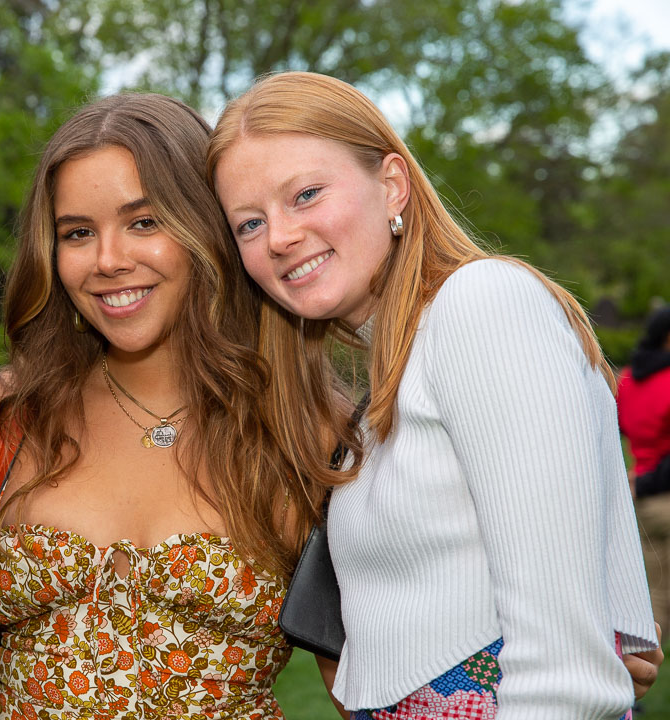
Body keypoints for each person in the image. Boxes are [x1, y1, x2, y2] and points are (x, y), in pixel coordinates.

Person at [207, 70, 660, 718]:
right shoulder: (392, 381)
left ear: (392, 184)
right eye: (249, 224)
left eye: (305, 194)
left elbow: (565, 677)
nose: (278, 237)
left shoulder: (481, 304)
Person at [0, 93, 339, 719]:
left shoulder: (304, 429)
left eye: (144, 222)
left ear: (206, 227)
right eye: (78, 233)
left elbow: (361, 682)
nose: (108, 260)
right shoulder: (11, 413)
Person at [619, 306, 670, 638]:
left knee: (657, 588)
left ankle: (650, 653)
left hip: (641, 497)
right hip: (663, 491)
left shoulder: (627, 379)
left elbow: (621, 429)